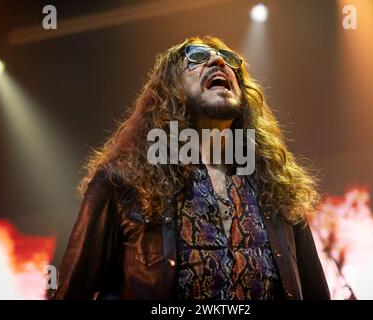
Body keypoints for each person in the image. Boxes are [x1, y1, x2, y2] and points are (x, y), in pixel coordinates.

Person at [52, 36, 330, 300]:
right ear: (169, 89)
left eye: (228, 59)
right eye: (197, 57)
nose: (219, 62)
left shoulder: (278, 187)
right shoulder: (122, 182)